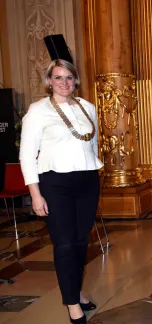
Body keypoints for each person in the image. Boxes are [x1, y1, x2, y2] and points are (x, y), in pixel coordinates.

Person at [19, 59, 103, 324]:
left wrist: (93, 172)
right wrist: (35, 194)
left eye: (69, 77)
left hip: (87, 181)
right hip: (55, 184)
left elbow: (94, 144)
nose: (64, 83)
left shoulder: (87, 107)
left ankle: (75, 290)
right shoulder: (38, 110)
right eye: (58, 78)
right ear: (49, 81)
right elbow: (26, 155)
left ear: (75, 80)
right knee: (65, 244)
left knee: (80, 242)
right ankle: (71, 303)